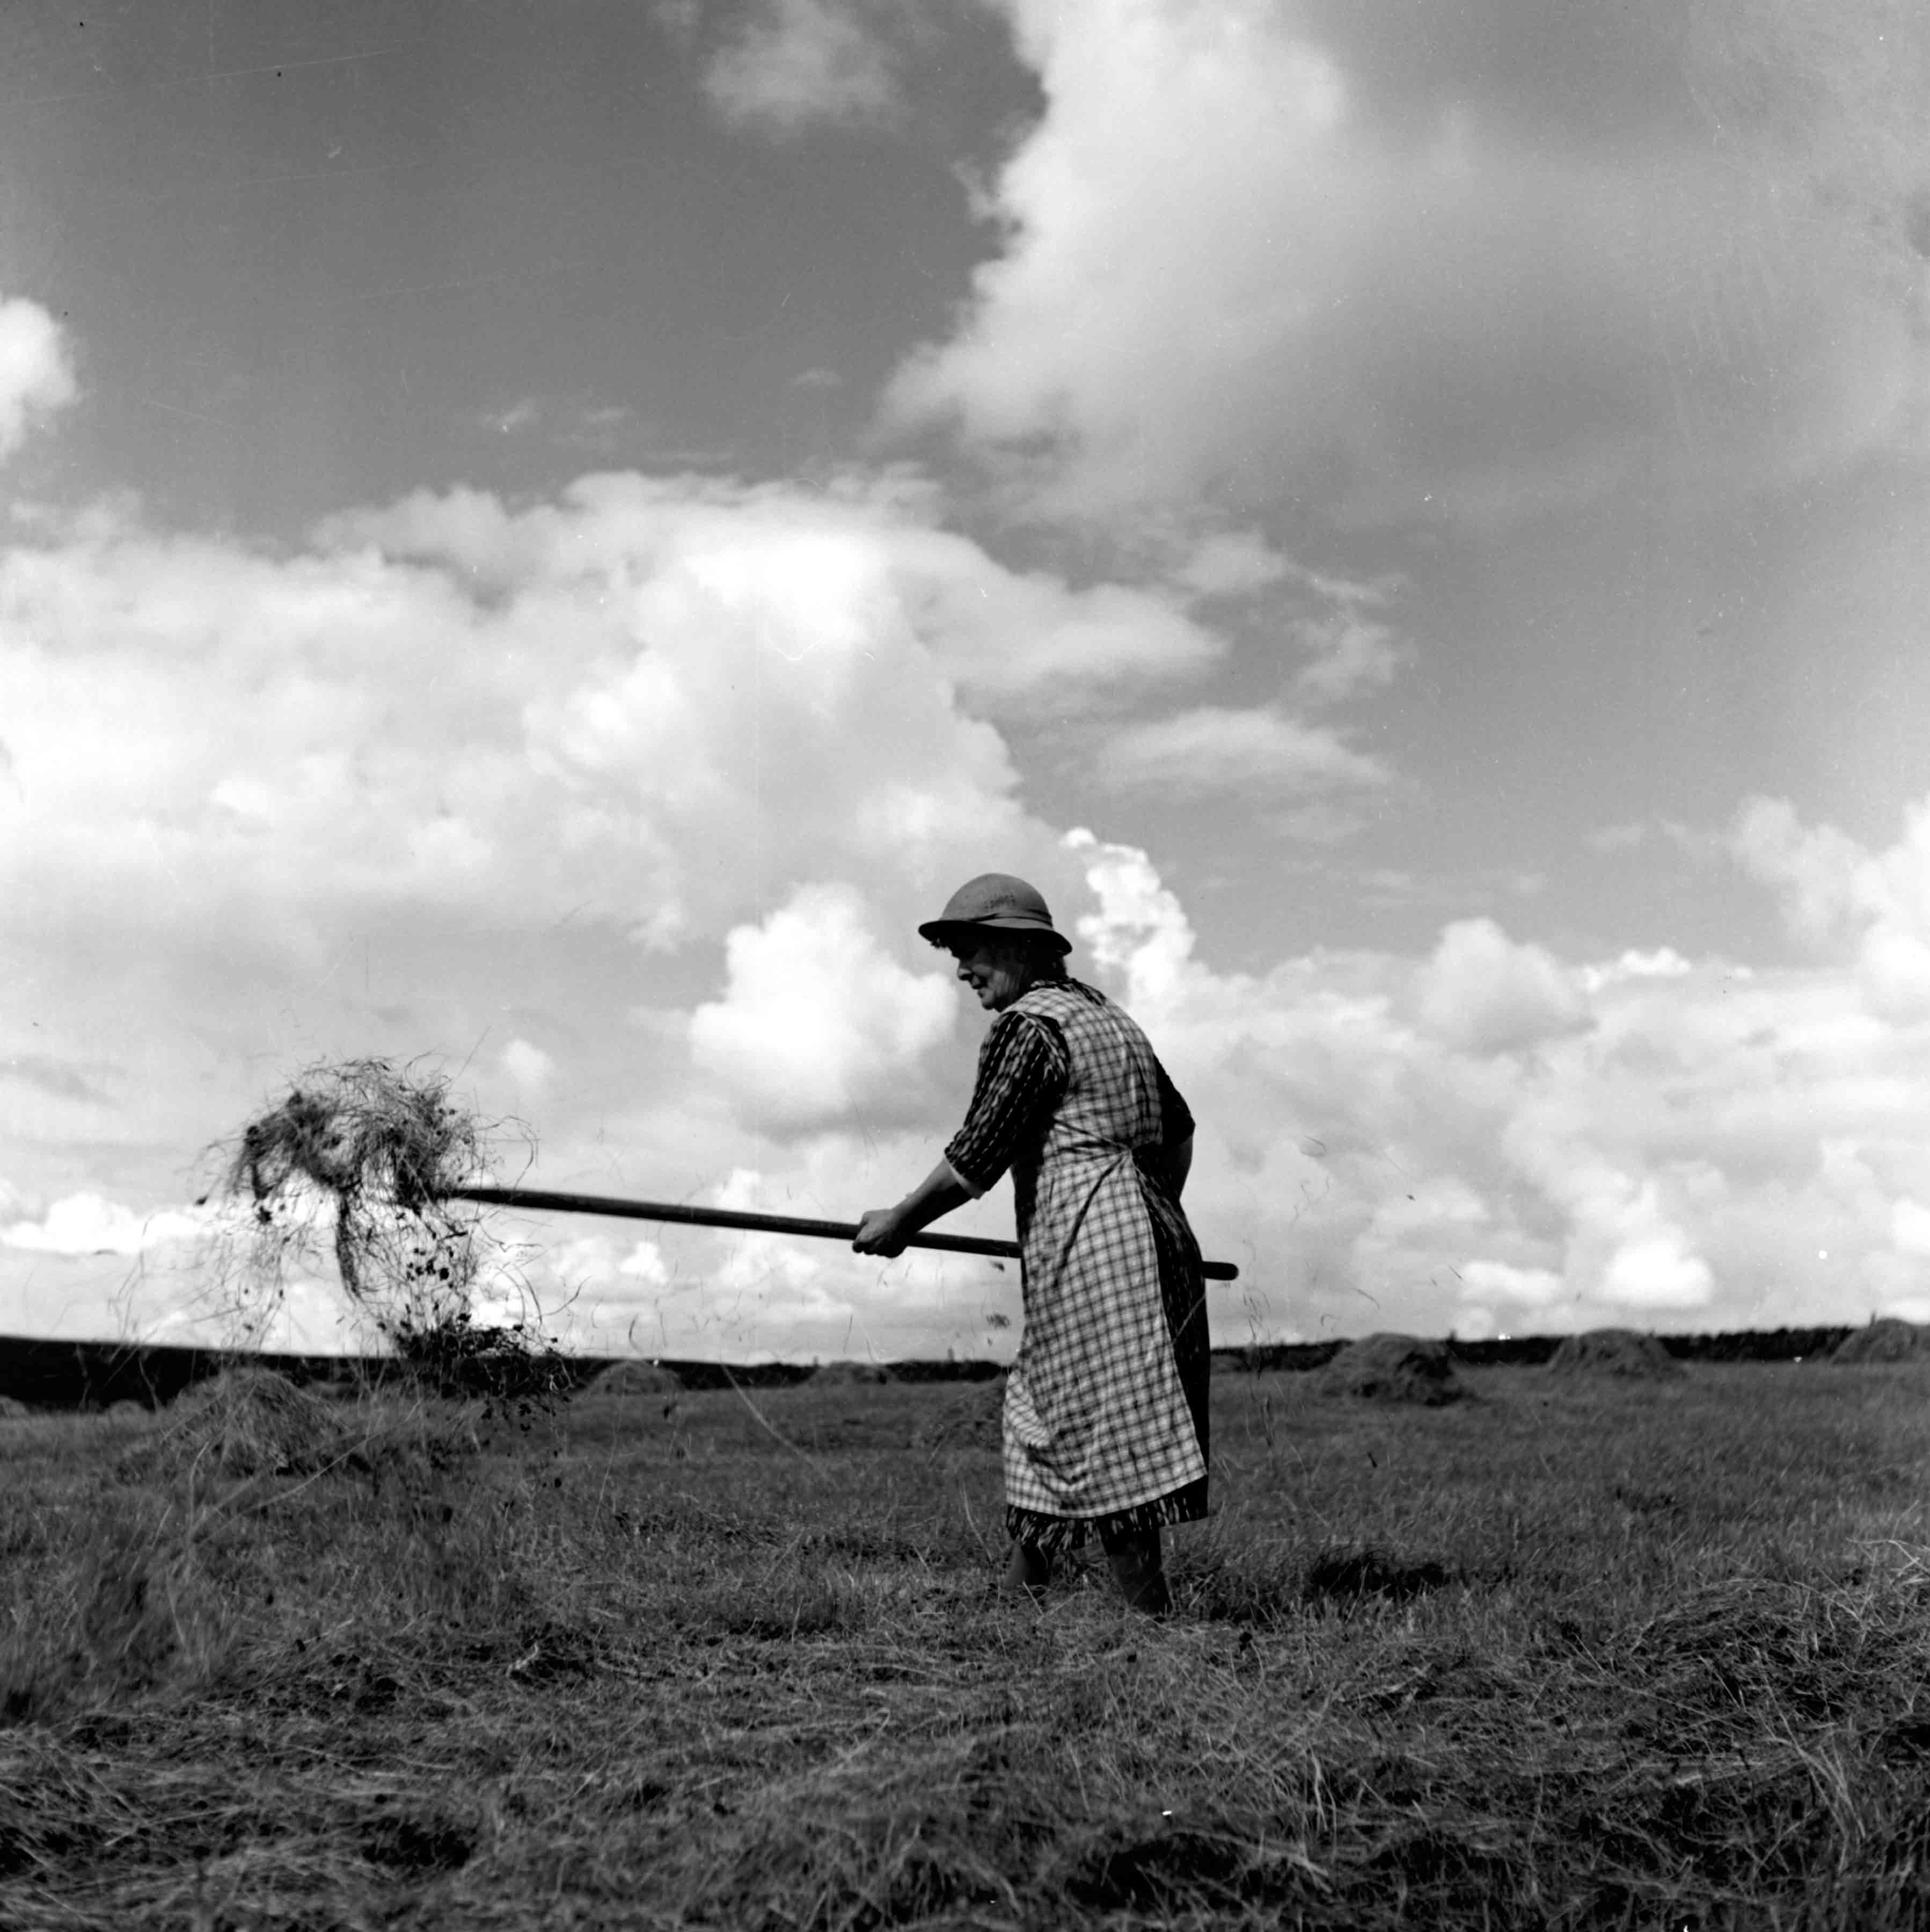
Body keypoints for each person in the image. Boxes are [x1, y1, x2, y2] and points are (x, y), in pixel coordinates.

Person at [853, 873, 1209, 1615]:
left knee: (1110, 1428)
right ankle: (1021, 1599)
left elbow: (976, 1157)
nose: (960, 969)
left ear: (1019, 947)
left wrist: (899, 1222)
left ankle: (1154, 1628)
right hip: (1151, 1242)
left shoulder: (1031, 1027)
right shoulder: (1109, 1019)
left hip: (1104, 1257)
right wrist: (1148, 1213)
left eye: (970, 948)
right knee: (1045, 1410)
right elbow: (1178, 1134)